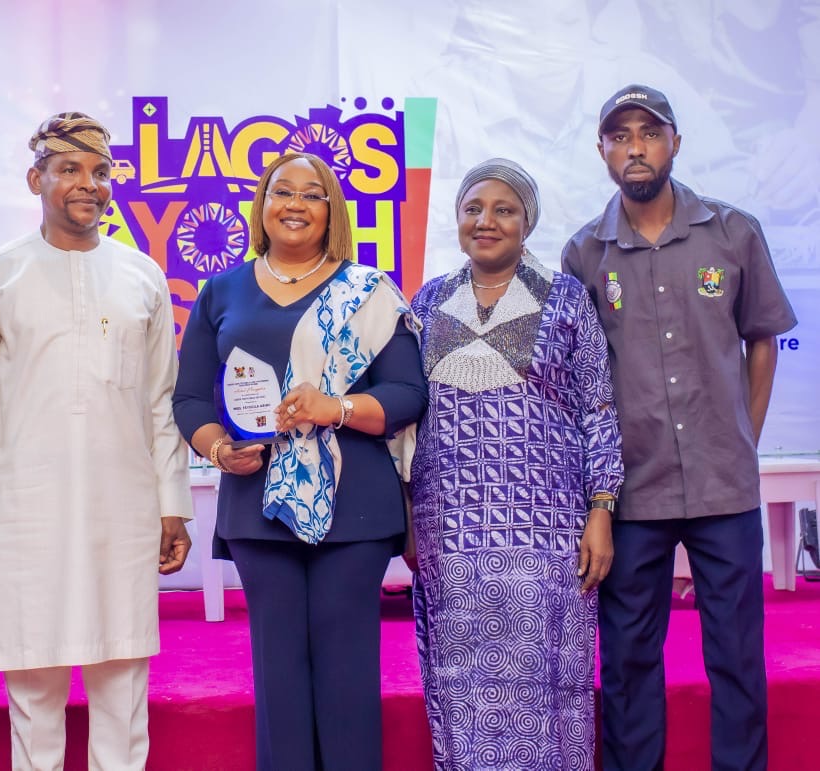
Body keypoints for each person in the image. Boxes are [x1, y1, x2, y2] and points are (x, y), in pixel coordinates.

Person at [0, 112, 193, 771]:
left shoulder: (142, 276)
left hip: (123, 509)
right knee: (34, 691)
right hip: (23, 513)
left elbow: (160, 400)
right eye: (70, 169)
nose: (89, 184)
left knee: (122, 688)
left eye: (101, 171)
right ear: (37, 179)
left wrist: (173, 503)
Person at [562, 84, 798, 771]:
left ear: (675, 143)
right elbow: (582, 377)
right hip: (632, 491)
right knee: (629, 658)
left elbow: (761, 338)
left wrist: (744, 435)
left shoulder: (732, 232)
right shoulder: (585, 254)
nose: (635, 148)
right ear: (602, 150)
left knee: (736, 655)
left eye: (649, 132)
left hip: (726, 485)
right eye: (620, 136)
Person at [172, 152, 427, 771]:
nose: (295, 204)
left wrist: (334, 408)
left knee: (347, 677)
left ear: (331, 211)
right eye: (281, 191)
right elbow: (190, 397)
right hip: (258, 506)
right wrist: (218, 448)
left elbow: (407, 393)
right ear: (262, 204)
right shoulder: (221, 291)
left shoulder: (370, 290)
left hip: (355, 509)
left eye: (312, 194)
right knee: (278, 676)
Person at [408, 158, 622, 770]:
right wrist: (407, 516)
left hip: (547, 527)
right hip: (450, 528)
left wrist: (601, 509)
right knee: (459, 677)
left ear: (527, 222)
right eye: (473, 209)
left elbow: (597, 408)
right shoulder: (429, 300)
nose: (486, 221)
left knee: (551, 676)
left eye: (504, 210)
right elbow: (407, 420)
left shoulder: (566, 298)